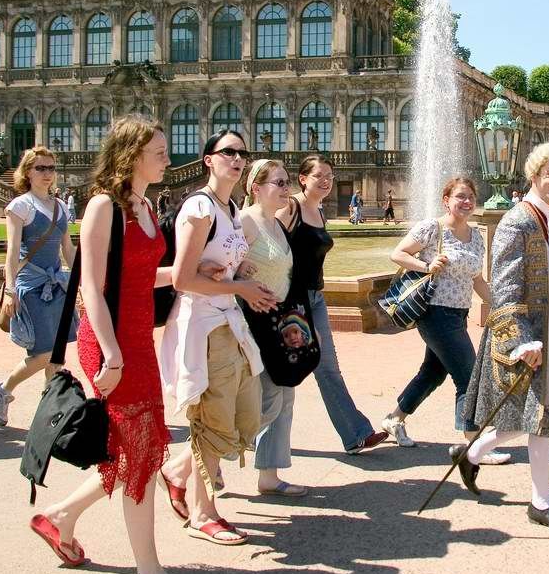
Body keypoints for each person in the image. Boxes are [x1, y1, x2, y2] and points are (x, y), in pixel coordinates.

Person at [31, 115, 208, 574]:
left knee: (137, 452)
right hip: (109, 342)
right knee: (139, 454)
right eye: (159, 151)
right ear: (130, 155)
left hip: (136, 340)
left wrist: (190, 271)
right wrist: (110, 354)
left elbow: (139, 276)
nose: (168, 158)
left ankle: (60, 516)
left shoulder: (146, 206)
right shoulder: (103, 207)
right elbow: (90, 284)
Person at [455, 142, 549, 530]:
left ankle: (469, 453)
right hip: (527, 339)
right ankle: (541, 502)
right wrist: (521, 341)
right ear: (534, 176)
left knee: (532, 414)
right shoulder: (517, 221)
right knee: (541, 416)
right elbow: (504, 290)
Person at [159, 131, 275, 546]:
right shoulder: (200, 206)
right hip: (203, 327)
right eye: (228, 152)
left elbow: (211, 270)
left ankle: (177, 469)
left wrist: (242, 282)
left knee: (249, 414)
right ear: (208, 159)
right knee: (214, 418)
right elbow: (183, 278)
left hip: (228, 321)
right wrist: (240, 290)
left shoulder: (228, 206)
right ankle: (203, 513)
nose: (238, 158)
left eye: (242, 153)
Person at [382, 177, 507, 462]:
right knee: (468, 376)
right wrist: (426, 265)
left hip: (458, 313)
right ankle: (473, 447)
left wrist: (498, 304)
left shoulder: (475, 236)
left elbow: (477, 279)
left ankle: (395, 418)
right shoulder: (432, 227)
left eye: (470, 197)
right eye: (460, 196)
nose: (466, 202)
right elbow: (397, 253)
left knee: (433, 373)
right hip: (434, 312)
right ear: (446, 200)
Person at [277, 155, 388, 457]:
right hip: (291, 301)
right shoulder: (291, 208)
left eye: (329, 175)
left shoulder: (318, 211)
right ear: (302, 179)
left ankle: (356, 435)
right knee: (278, 374)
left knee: (328, 368)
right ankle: (235, 436)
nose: (326, 180)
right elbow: (264, 240)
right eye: (319, 175)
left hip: (316, 297)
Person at [0, 147, 76, 427]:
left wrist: (83, 282)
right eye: (41, 168)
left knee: (56, 356)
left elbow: (68, 249)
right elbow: (12, 252)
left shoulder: (60, 207)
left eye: (51, 168)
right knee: (43, 353)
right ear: (27, 172)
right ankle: (2, 390)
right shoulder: (20, 206)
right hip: (31, 286)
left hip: (56, 285)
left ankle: (48, 414)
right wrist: (11, 291)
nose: (47, 174)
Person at [242, 159, 311, 497]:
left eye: (287, 183)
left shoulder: (276, 225)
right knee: (269, 399)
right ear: (256, 187)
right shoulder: (245, 223)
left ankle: (269, 475)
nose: (286, 189)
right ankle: (197, 460)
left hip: (279, 323)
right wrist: (244, 286)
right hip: (253, 324)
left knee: (285, 397)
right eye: (279, 183)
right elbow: (223, 271)